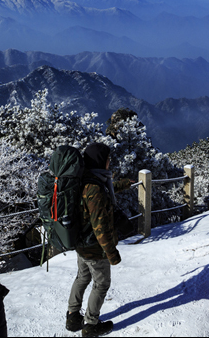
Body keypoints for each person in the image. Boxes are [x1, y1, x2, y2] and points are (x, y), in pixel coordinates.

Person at [67, 143, 133, 337]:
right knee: (101, 284)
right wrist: (111, 253)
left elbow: (101, 193)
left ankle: (72, 317)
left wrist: (122, 184)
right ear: (100, 161)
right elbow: (100, 227)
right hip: (95, 248)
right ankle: (90, 324)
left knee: (82, 277)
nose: (109, 162)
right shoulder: (94, 188)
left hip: (81, 243)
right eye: (107, 159)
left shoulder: (84, 179)